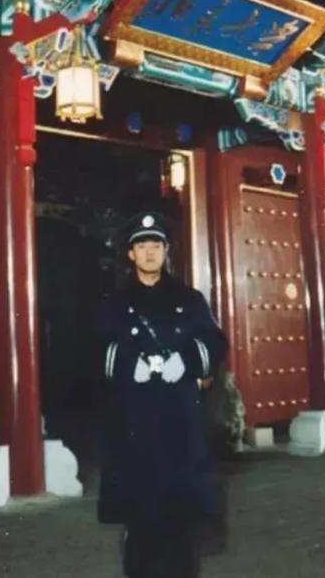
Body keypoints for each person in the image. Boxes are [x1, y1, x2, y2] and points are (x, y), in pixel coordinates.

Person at [95, 212, 227, 578]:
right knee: (140, 522)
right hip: (133, 424)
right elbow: (92, 350)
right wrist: (126, 366)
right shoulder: (114, 303)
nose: (150, 252)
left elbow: (216, 342)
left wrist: (187, 361)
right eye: (142, 245)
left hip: (179, 423)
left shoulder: (189, 299)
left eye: (156, 245)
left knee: (181, 522)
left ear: (167, 251)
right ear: (130, 254)